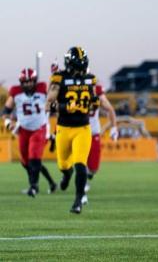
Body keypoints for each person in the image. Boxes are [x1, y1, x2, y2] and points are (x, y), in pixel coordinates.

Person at [46, 47, 98, 213]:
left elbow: (94, 102)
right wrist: (66, 106)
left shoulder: (90, 80)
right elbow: (48, 105)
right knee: (63, 164)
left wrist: (93, 104)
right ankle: (66, 175)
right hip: (64, 128)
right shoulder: (59, 78)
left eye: (82, 67)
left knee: (80, 164)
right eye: (77, 67)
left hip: (82, 128)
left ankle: (78, 200)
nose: (80, 71)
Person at [3, 68, 57, 197]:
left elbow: (54, 90)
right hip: (23, 130)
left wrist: (55, 74)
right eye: (25, 82)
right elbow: (5, 112)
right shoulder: (15, 92)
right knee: (25, 161)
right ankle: (51, 183)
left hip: (39, 128)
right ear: (21, 82)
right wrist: (8, 123)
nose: (28, 84)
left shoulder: (42, 88)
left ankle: (34, 187)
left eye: (30, 81)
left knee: (34, 157)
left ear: (35, 81)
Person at [85, 82, 118, 191]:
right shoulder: (71, 90)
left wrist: (114, 128)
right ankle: (82, 181)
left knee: (94, 168)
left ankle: (87, 173)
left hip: (93, 133)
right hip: (79, 131)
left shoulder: (97, 92)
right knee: (79, 160)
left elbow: (110, 109)